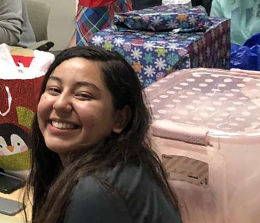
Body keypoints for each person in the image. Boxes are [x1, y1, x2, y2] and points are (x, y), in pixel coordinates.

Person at [25, 46, 181, 223]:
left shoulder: (98, 190)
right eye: (54, 89)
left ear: (119, 119)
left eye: (83, 95)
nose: (60, 104)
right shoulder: (116, 165)